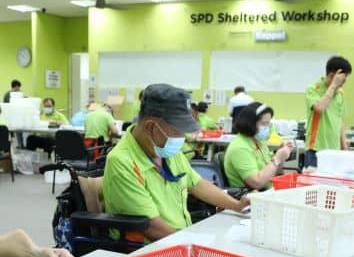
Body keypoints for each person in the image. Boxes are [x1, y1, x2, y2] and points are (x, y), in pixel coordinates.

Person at [103, 83, 249, 242]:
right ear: (151, 127)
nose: (182, 137)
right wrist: (193, 247)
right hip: (147, 250)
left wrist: (236, 205)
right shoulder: (122, 161)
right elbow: (151, 226)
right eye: (178, 131)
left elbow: (197, 184)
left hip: (179, 238)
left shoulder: (165, 150)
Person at [224, 102, 293, 190]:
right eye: (264, 124)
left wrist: (281, 156)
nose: (267, 128)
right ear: (250, 124)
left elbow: (273, 171)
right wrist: (277, 159)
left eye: (269, 124)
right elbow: (257, 183)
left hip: (268, 191)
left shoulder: (259, 142)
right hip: (251, 197)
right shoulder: (240, 148)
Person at [304, 56, 352, 169]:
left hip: (334, 151)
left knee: (331, 186)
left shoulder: (340, 93)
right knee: (314, 186)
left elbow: (340, 121)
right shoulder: (312, 89)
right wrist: (333, 85)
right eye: (343, 79)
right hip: (316, 149)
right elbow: (319, 108)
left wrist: (344, 148)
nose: (344, 82)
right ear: (331, 75)